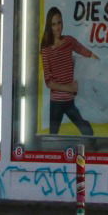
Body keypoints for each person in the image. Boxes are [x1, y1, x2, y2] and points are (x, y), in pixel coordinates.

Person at [39, 7, 97, 137]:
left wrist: (103, 68)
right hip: (56, 103)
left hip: (70, 102)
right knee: (53, 137)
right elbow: (49, 82)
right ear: (49, 26)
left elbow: (87, 53)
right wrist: (70, 88)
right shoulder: (46, 49)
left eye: (59, 23)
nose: (57, 27)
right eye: (54, 24)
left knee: (88, 131)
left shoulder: (69, 41)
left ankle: (89, 149)